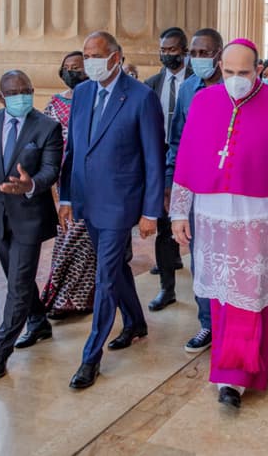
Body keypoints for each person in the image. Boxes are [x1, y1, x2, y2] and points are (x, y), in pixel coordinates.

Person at [170, 38, 268, 409]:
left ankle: (252, 368)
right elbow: (187, 161)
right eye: (229, 72)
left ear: (258, 69)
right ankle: (230, 374)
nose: (236, 79)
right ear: (220, 66)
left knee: (256, 294)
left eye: (244, 73)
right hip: (214, 216)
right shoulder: (204, 101)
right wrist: (178, 213)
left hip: (261, 219)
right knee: (223, 295)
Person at [59, 31, 164, 390]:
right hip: (88, 201)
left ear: (116, 57)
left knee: (104, 277)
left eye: (95, 55)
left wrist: (150, 211)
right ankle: (136, 322)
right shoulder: (83, 92)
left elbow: (153, 157)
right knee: (115, 267)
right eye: (86, 54)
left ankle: (91, 357)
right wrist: (67, 198)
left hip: (121, 205)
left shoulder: (141, 98)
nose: (88, 61)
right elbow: (74, 149)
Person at [0, 70, 62, 379]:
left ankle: (0, 351)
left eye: (26, 90)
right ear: (1, 97)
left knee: (18, 285)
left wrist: (31, 184)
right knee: (17, 279)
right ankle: (39, 322)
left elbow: (50, 171)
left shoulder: (48, 127)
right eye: (15, 92)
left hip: (30, 217)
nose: (22, 96)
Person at [166, 28, 225, 354]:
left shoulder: (233, 89)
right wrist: (171, 185)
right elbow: (178, 141)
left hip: (228, 189)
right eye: (196, 53)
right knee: (200, 259)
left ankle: (229, 320)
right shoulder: (188, 89)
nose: (199, 59)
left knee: (227, 256)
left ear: (220, 53)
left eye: (206, 52)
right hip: (195, 187)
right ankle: (207, 324)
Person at [40, 52, 96, 319]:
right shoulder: (55, 104)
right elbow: (43, 140)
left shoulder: (97, 99)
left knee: (85, 240)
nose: (73, 71)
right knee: (68, 235)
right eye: (68, 68)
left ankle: (82, 298)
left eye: (78, 67)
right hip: (66, 181)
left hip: (94, 180)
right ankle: (60, 294)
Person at [143, 27, 193, 312]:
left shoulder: (198, 83)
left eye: (172, 49)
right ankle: (167, 288)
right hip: (163, 161)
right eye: (163, 50)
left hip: (193, 160)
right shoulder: (151, 84)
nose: (167, 54)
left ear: (184, 50)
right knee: (164, 226)